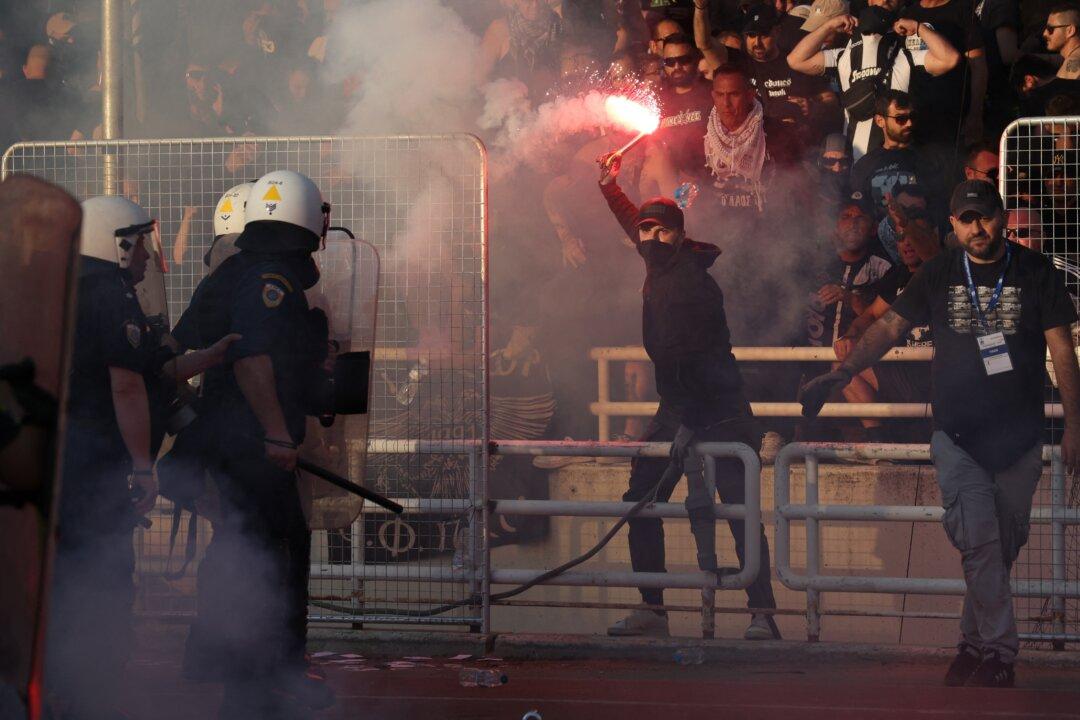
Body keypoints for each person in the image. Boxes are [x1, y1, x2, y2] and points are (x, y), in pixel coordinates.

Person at [801, 180, 1080, 687]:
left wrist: (1076, 424)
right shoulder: (938, 272)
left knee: (1002, 549)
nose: (978, 227)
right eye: (967, 219)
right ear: (953, 224)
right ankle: (1000, 651)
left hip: (1020, 438)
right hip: (957, 435)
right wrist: (842, 374)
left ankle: (972, 644)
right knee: (978, 542)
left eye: (986, 216)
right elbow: (888, 330)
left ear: (1000, 217)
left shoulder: (1036, 271)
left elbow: (1062, 349)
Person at [47, 196, 234, 719]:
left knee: (69, 574)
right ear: (118, 243)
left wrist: (210, 356)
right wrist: (141, 467)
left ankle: (66, 684)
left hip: (63, 465)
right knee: (99, 576)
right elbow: (127, 387)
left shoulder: (66, 289)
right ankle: (87, 689)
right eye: (141, 241)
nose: (150, 254)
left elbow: (156, 371)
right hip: (94, 467)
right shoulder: (107, 296)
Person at [597, 153, 780, 642]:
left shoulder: (694, 285)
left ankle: (762, 613)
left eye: (661, 231)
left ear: (679, 235)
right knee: (641, 501)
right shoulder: (659, 260)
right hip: (678, 405)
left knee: (739, 510)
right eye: (645, 232)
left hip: (718, 409)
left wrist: (688, 422)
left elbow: (701, 360)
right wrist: (609, 184)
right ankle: (653, 608)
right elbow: (630, 218)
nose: (651, 239)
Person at [182, 170, 337, 718]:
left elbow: (183, 346)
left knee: (245, 552)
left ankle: (245, 672)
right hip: (253, 449)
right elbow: (252, 359)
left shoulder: (235, 270)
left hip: (231, 446)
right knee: (274, 556)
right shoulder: (273, 280)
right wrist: (276, 432)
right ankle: (265, 679)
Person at [786, 3, 960, 160]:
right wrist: (918, 28)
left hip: (895, 157)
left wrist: (829, 26)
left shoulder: (901, 55)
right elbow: (795, 60)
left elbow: (950, 59)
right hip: (860, 155)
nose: (870, 38)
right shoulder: (844, 56)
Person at [802, 193, 893, 441]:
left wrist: (849, 297)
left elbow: (882, 317)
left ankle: (878, 445)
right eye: (846, 217)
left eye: (860, 217)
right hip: (811, 368)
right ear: (834, 227)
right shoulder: (813, 266)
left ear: (873, 228)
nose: (853, 223)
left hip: (859, 368)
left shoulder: (884, 268)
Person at [742, 2, 840, 144]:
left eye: (764, 35)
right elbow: (705, 44)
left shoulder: (795, 60)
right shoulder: (740, 65)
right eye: (751, 35)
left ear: (776, 31)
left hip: (801, 147)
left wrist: (812, 106)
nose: (757, 42)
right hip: (757, 148)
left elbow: (830, 99)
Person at [899, 0, 987, 148]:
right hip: (913, 120)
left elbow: (978, 66)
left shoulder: (962, 11)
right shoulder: (907, 13)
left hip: (952, 118)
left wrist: (975, 114)